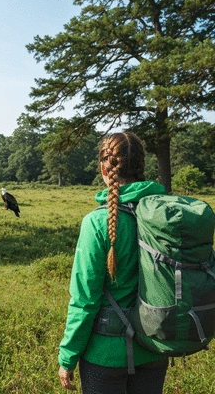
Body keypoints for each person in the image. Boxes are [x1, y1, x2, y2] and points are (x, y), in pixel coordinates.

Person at [58, 132, 169, 393]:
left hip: (104, 356)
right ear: (142, 167)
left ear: (104, 168)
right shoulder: (164, 216)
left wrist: (67, 357)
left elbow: (84, 301)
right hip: (154, 349)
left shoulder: (96, 222)